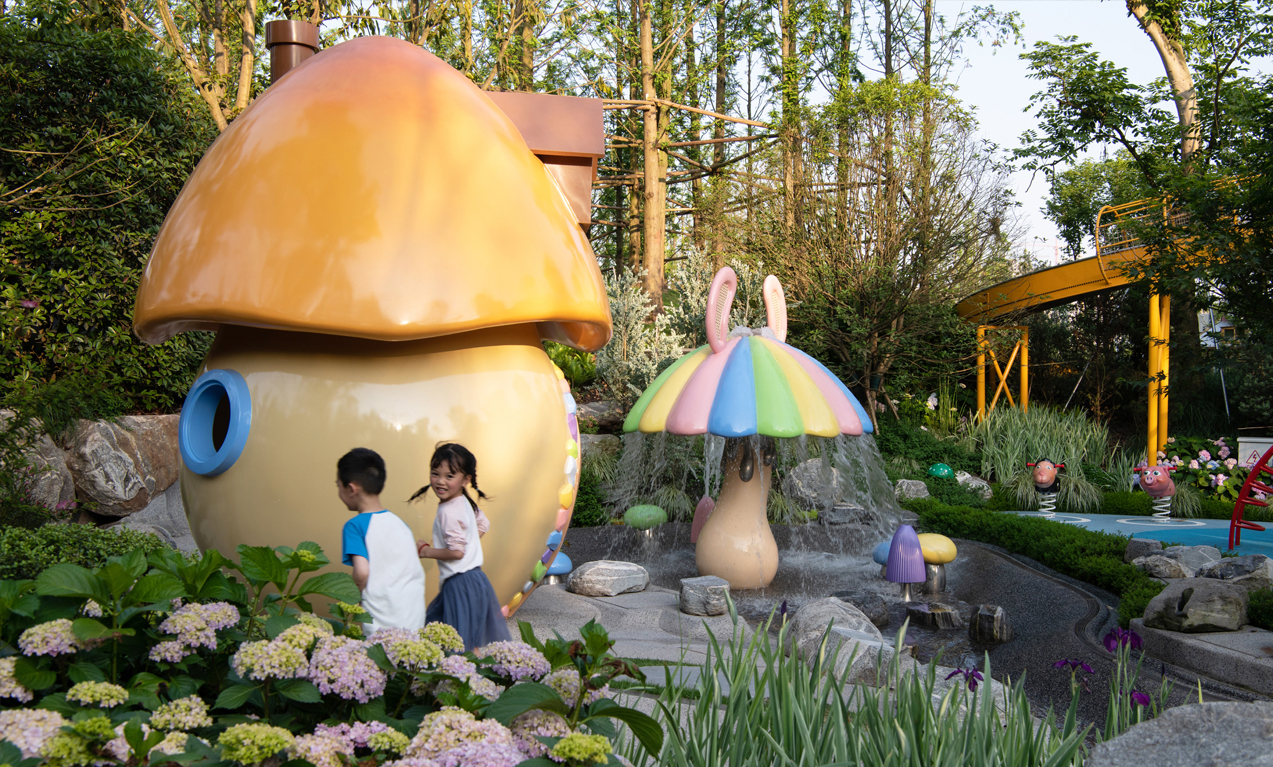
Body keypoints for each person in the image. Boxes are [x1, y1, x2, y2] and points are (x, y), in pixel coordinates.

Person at [412, 442, 511, 650]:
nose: (440, 481)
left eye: (449, 476)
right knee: (449, 633)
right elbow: (483, 524)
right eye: (435, 474)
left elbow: (457, 552)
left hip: (460, 583)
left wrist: (425, 551)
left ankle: (467, 671)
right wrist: (469, 542)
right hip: (476, 580)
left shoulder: (448, 511)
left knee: (457, 644)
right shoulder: (464, 501)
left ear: (466, 479)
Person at [337, 448, 426, 630]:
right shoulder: (401, 525)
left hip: (380, 622)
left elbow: (362, 572)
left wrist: (352, 596)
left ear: (351, 489)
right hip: (413, 617)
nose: (338, 492)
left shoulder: (355, 526)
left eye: (338, 486)